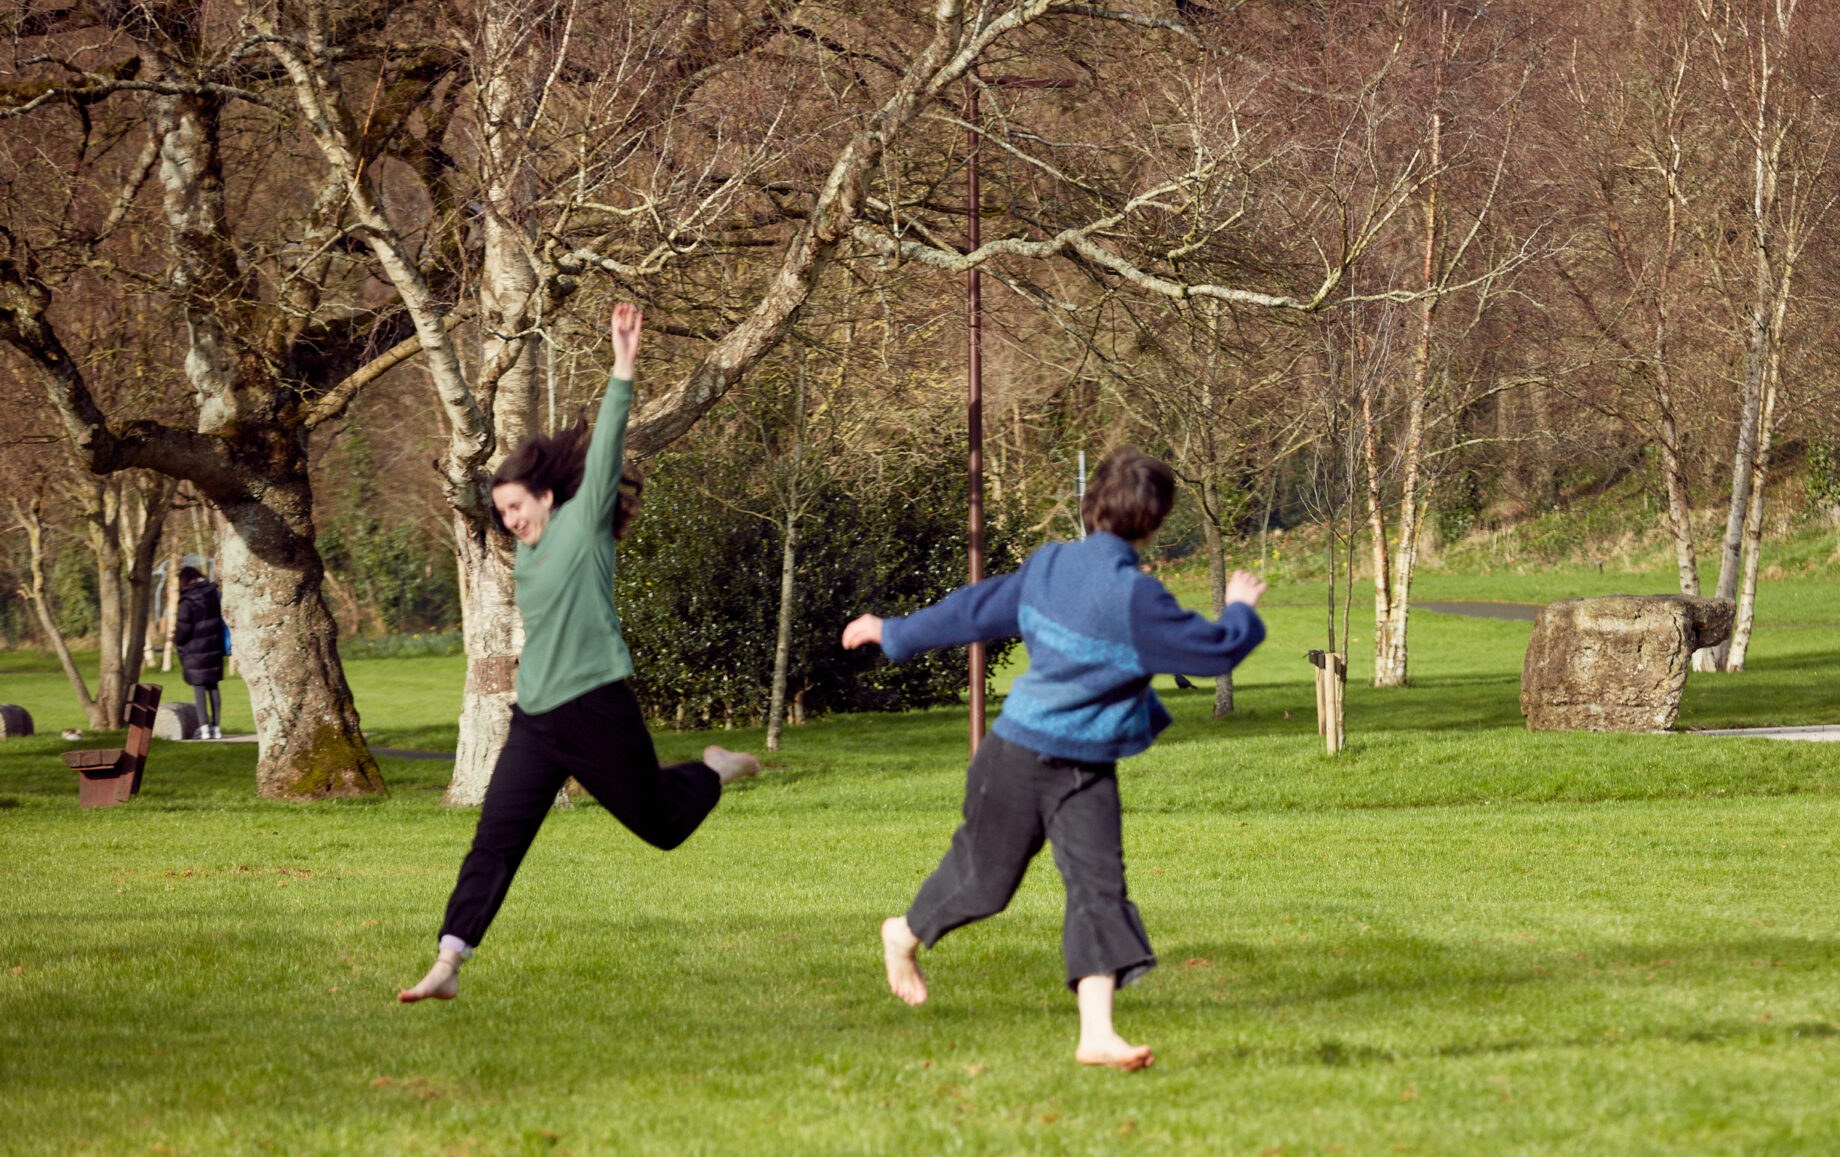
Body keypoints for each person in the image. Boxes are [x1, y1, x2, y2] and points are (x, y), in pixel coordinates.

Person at [840, 448, 1266, 1069]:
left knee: (1098, 888)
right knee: (985, 884)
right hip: (1019, 758)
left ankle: (1097, 1033)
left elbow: (971, 608)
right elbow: (1218, 649)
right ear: (1154, 524)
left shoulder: (1051, 566)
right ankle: (901, 933)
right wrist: (1240, 606)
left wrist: (895, 629)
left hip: (1082, 770)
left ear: (1090, 505)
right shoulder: (1135, 597)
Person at [401, 302, 760, 1004]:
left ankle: (713, 771)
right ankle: (448, 960)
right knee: (496, 838)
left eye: (515, 508)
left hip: (598, 708)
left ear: (544, 495)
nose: (509, 522)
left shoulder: (581, 525)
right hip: (535, 719)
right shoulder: (526, 559)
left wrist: (623, 366)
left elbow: (607, 447)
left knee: (660, 827)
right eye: (500, 514)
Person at [170, 562, 227, 737]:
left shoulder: (187, 600)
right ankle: (216, 728)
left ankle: (204, 728)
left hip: (194, 650)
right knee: (214, 686)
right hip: (214, 646)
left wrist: (176, 640)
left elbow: (183, 628)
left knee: (199, 687)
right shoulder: (213, 594)